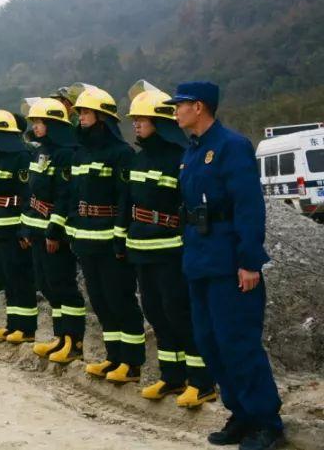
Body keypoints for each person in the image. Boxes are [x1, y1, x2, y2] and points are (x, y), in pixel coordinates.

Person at [166, 82, 283, 449]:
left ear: (199, 107)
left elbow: (248, 207)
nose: (175, 111)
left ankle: (266, 422)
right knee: (209, 342)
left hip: (230, 261)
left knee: (238, 342)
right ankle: (241, 413)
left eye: (180, 105)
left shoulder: (232, 146)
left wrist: (249, 261)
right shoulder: (191, 152)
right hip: (199, 260)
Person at [120, 83, 216, 407]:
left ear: (159, 121)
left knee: (178, 312)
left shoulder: (181, 159)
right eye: (134, 120)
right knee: (156, 313)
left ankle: (201, 381)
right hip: (141, 247)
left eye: (141, 119)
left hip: (172, 247)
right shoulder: (136, 161)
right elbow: (127, 203)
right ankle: (171, 377)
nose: (136, 125)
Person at [67, 85, 146, 383]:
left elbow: (125, 199)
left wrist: (120, 237)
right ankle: (114, 357)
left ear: (102, 117)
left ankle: (133, 363)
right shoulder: (80, 154)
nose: (82, 118)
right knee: (99, 300)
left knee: (120, 299)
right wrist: (74, 233)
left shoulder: (121, 153)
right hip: (86, 238)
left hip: (110, 238)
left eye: (86, 112)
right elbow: (74, 196)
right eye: (80, 113)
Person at [22, 98, 87, 362]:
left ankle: (74, 342)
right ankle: (60, 337)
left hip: (53, 230)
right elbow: (32, 191)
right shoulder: (41, 152)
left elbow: (64, 196)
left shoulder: (66, 154)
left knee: (63, 284)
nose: (36, 127)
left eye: (41, 122)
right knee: (46, 284)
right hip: (37, 227)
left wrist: (54, 231)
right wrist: (26, 226)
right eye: (35, 122)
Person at [0, 110, 36, 343]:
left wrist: (25, 228)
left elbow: (27, 194)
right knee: (8, 279)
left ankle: (27, 329)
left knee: (21, 278)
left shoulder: (21, 156)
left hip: (14, 226)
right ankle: (13, 324)